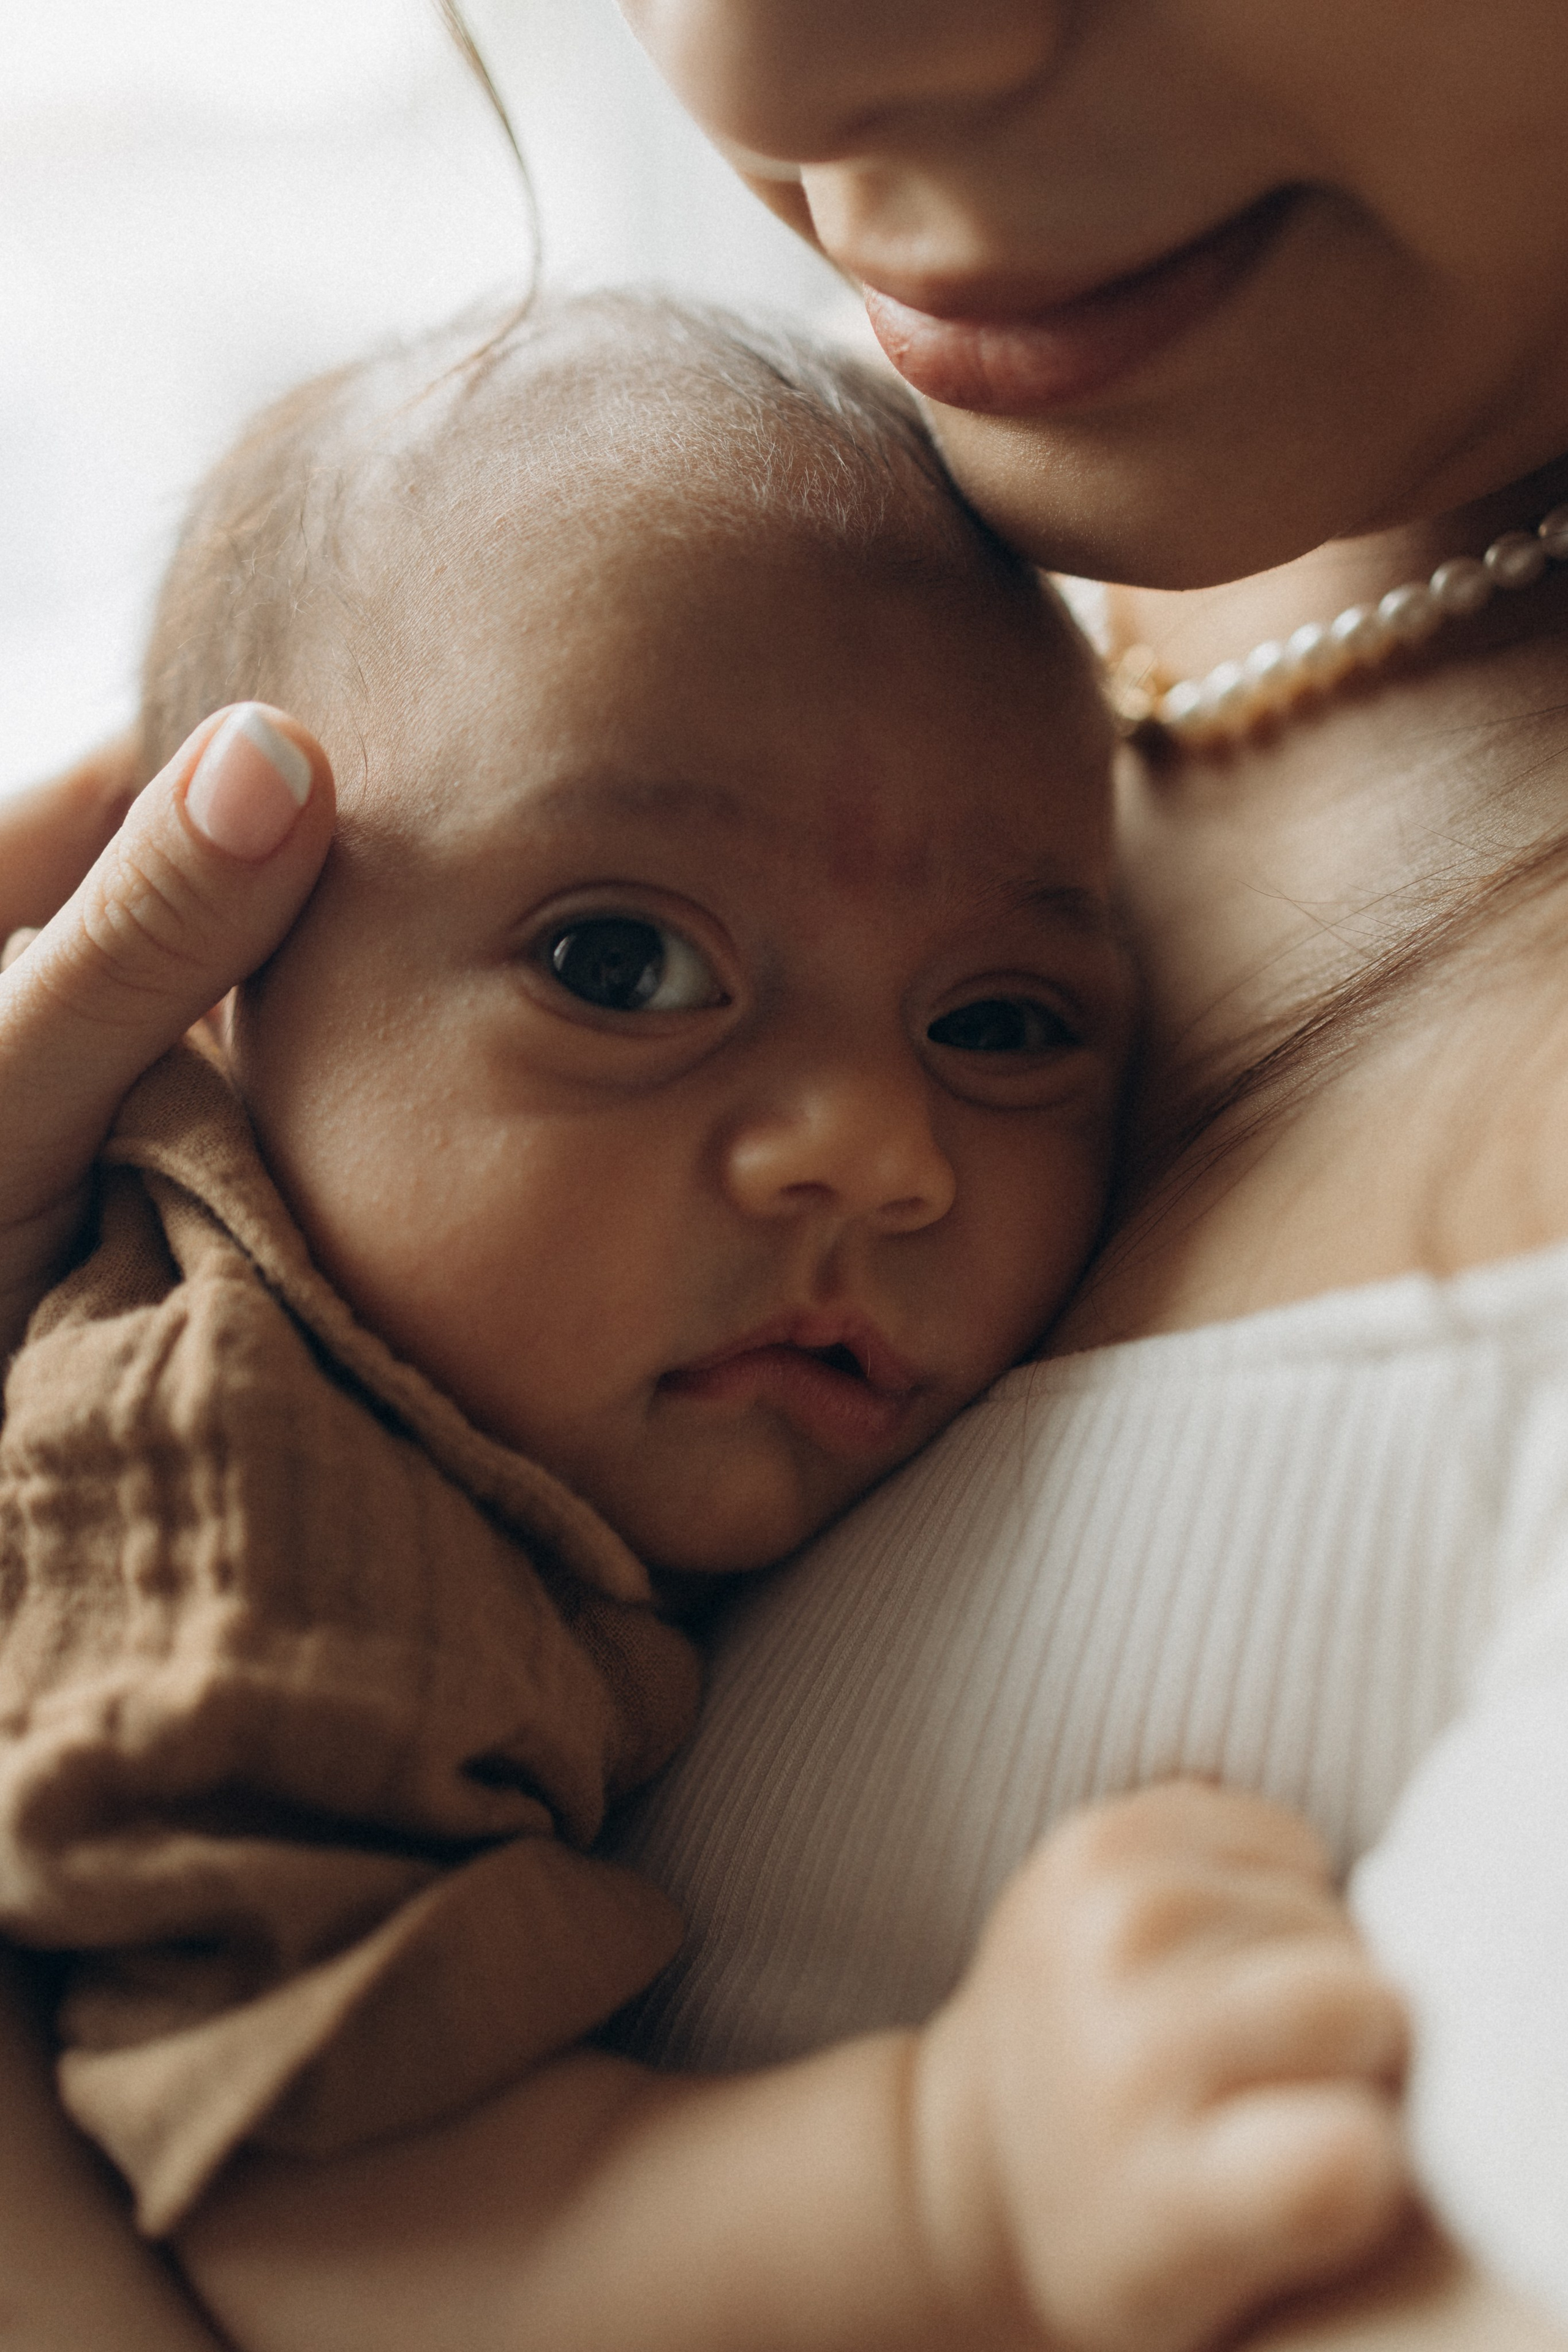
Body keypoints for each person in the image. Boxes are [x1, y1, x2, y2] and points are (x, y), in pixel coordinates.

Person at [2, 3, 1567, 2346]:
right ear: (223, 995)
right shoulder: (249, 1516)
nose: (751, 72)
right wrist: (946, 2185)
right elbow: (348, 2216)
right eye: (619, 964)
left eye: (1006, 1029)